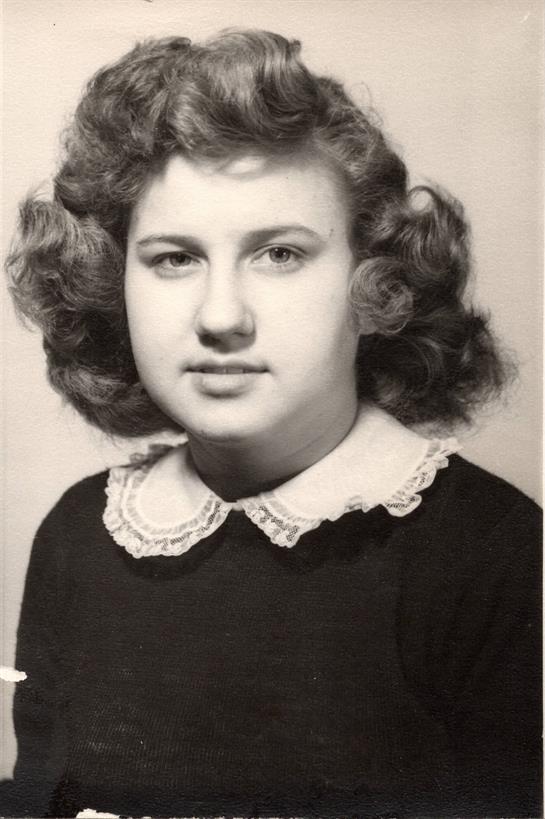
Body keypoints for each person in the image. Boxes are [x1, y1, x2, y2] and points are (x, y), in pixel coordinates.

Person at [2, 29, 541, 818]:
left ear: (376, 284)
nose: (221, 316)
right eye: (173, 258)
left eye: (280, 254)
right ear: (111, 284)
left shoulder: (494, 553)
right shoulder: (80, 535)